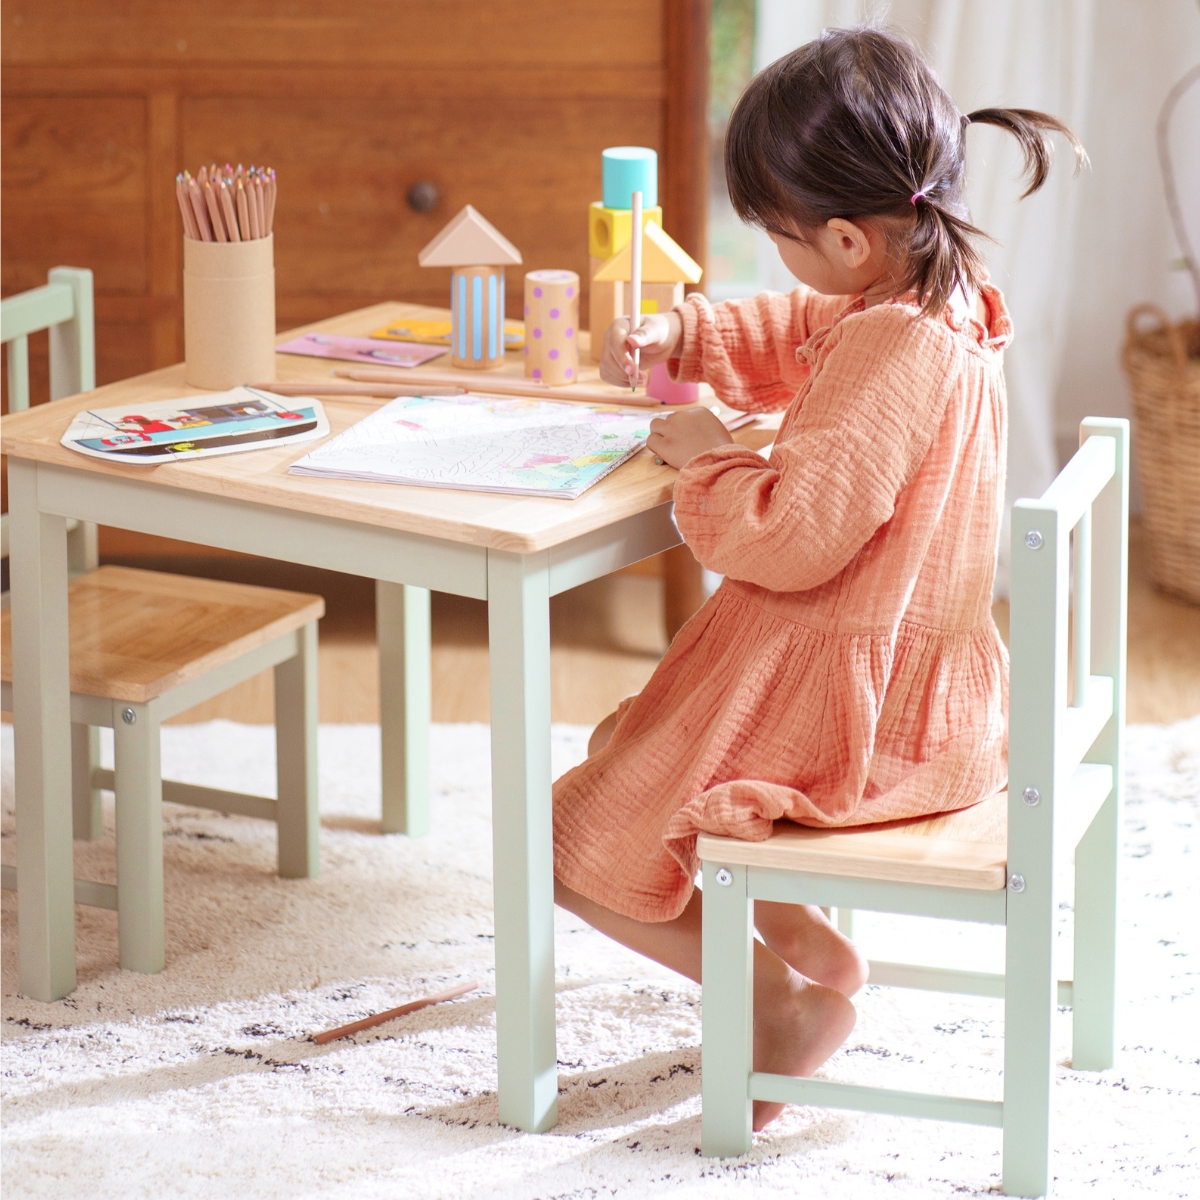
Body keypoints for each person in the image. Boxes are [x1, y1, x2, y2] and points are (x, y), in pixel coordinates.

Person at [554, 26, 1086, 1131]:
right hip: (917, 685)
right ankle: (802, 940)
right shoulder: (934, 289)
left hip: (860, 713)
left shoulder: (895, 346)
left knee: (571, 837)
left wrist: (708, 456)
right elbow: (806, 326)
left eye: (780, 237)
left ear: (847, 237)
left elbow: (794, 534)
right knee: (628, 744)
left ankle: (778, 1007)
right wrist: (687, 329)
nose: (781, 258)